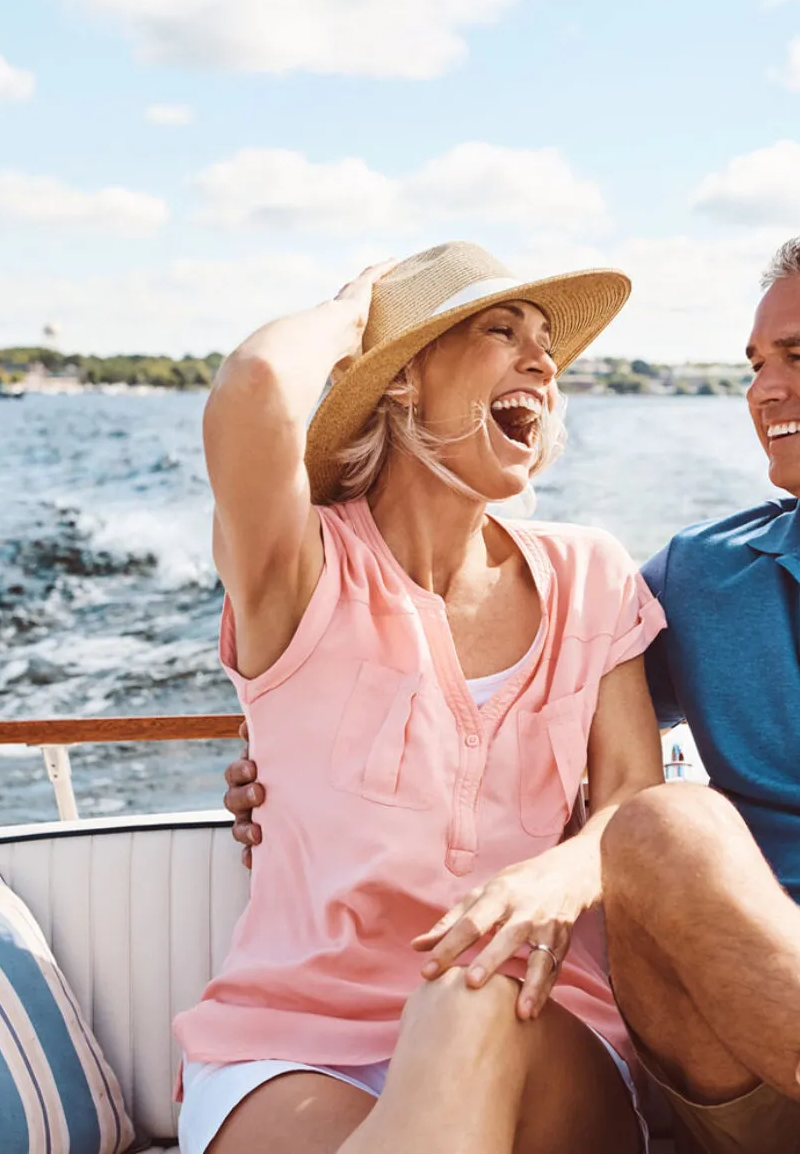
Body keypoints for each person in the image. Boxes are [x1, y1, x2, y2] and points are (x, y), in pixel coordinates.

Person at [228, 230, 800, 1154]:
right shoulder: (701, 577)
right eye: (756, 364)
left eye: (799, 357)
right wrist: (300, 756)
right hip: (742, 1034)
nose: (762, 391)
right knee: (666, 822)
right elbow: (525, 708)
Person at [179, 241, 666, 1154]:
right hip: (293, 1044)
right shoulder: (303, 572)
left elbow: (637, 798)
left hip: (536, 1024)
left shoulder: (591, 575)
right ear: (403, 378)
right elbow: (254, 387)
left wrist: (563, 872)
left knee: (468, 992)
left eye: (547, 344)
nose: (543, 361)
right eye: (501, 331)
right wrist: (353, 315)